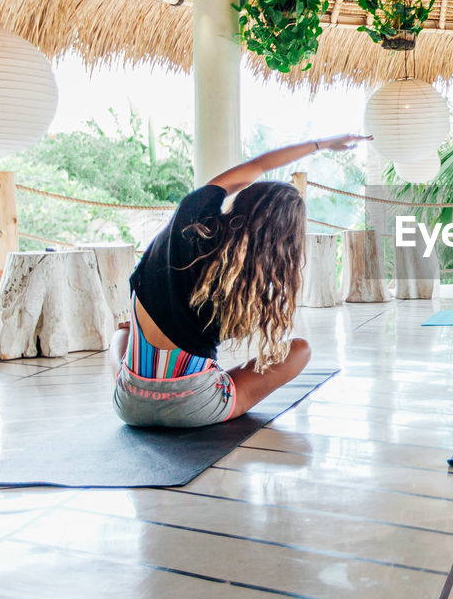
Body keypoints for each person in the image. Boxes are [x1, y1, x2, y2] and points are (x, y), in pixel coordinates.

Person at [112, 135, 370, 427]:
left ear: (244, 201)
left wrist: (321, 144)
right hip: (197, 406)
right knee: (300, 350)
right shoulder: (243, 287)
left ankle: (135, 366)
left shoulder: (187, 219)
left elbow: (257, 165)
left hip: (129, 405)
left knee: (121, 334)